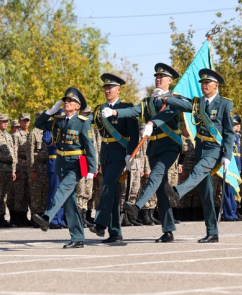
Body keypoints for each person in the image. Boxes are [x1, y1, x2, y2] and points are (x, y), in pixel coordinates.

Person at [152, 68, 234, 243]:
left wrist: (227, 154)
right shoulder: (198, 103)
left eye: (207, 83)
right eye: (202, 83)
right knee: (206, 194)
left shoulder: (225, 104)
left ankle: (177, 192)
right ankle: (212, 232)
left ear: (216, 85)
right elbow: (184, 105)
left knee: (197, 171)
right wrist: (166, 98)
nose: (204, 86)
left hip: (214, 150)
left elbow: (229, 132)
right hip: (200, 148)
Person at [101, 63, 181, 243]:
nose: (159, 79)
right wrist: (114, 111)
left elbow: (166, 115)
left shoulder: (174, 99)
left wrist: (152, 123)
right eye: (157, 77)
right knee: (160, 188)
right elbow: (133, 111)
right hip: (154, 147)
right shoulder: (148, 101)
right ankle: (168, 230)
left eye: (163, 77)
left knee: (156, 175)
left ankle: (137, 206)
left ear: (170, 81)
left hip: (170, 145)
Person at [33, 87, 96, 249]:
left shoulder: (83, 122)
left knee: (61, 190)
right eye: (65, 101)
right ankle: (78, 237)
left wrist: (92, 169)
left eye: (70, 101)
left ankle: (47, 217)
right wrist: (50, 111)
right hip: (61, 162)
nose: (66, 103)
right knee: (69, 201)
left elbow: (90, 147)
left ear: (78, 106)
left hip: (76, 164)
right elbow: (38, 124)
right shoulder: (58, 120)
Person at [87, 73, 139, 243]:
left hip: (120, 154)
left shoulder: (126, 107)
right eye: (105, 88)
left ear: (119, 90)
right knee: (113, 193)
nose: (107, 90)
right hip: (106, 153)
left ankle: (100, 224)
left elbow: (134, 134)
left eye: (111, 88)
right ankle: (115, 232)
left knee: (108, 185)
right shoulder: (99, 109)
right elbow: (87, 122)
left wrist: (130, 155)